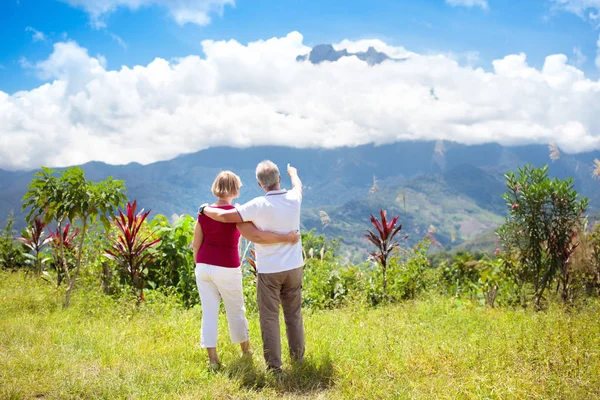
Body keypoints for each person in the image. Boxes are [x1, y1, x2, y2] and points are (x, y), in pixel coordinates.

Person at [199, 161, 304, 372]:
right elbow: (298, 185)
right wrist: (293, 173)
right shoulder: (295, 198)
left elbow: (224, 216)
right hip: (294, 267)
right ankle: (298, 359)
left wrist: (203, 209)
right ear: (279, 180)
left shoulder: (257, 205)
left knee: (269, 317)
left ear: (259, 184)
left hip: (270, 270)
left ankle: (274, 367)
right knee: (294, 314)